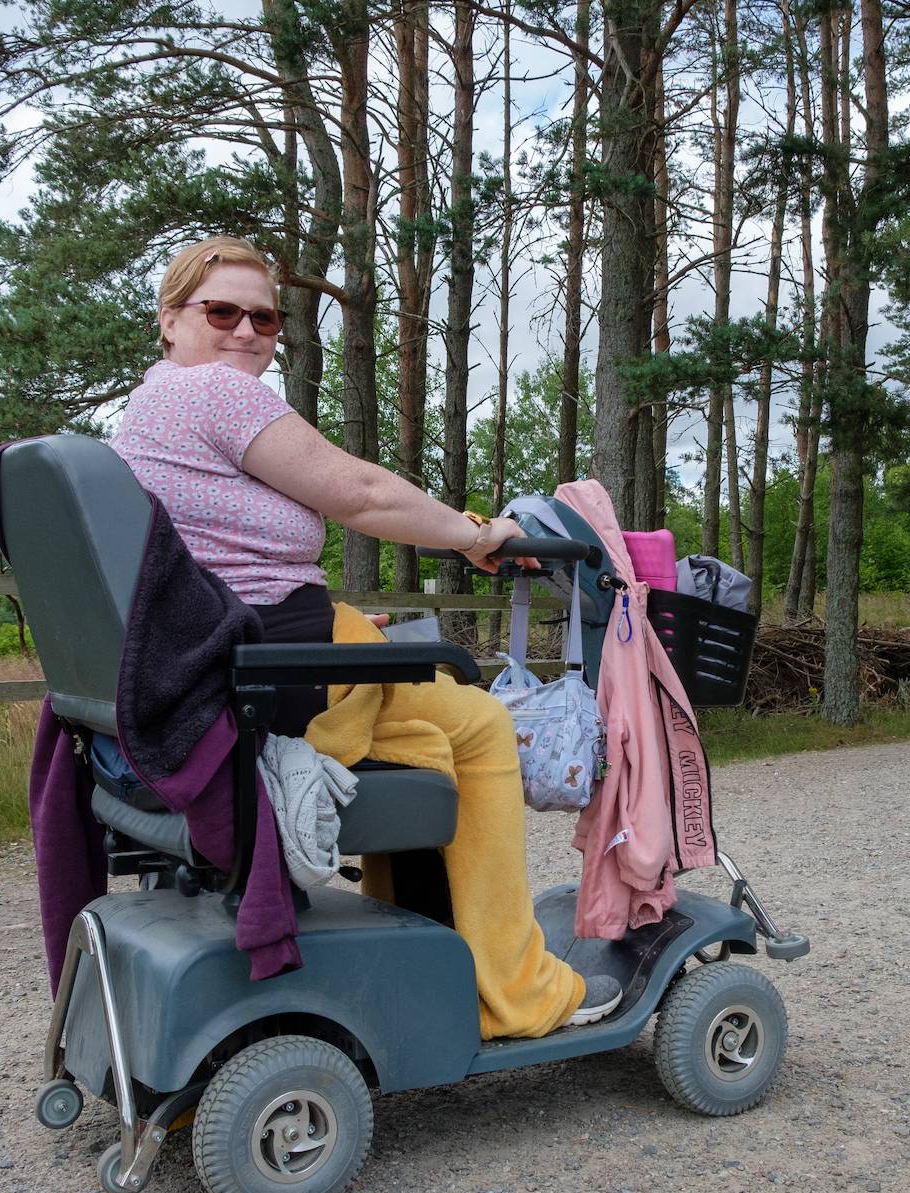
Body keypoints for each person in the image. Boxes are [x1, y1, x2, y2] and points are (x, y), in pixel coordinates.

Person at [109, 235, 620, 1038]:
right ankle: (517, 995)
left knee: (427, 731)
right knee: (483, 724)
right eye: (221, 311)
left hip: (236, 662)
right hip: (263, 679)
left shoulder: (148, 408)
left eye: (265, 319)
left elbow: (227, 559)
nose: (245, 331)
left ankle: (418, 956)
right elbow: (361, 492)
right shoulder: (210, 393)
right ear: (170, 322)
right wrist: (477, 534)